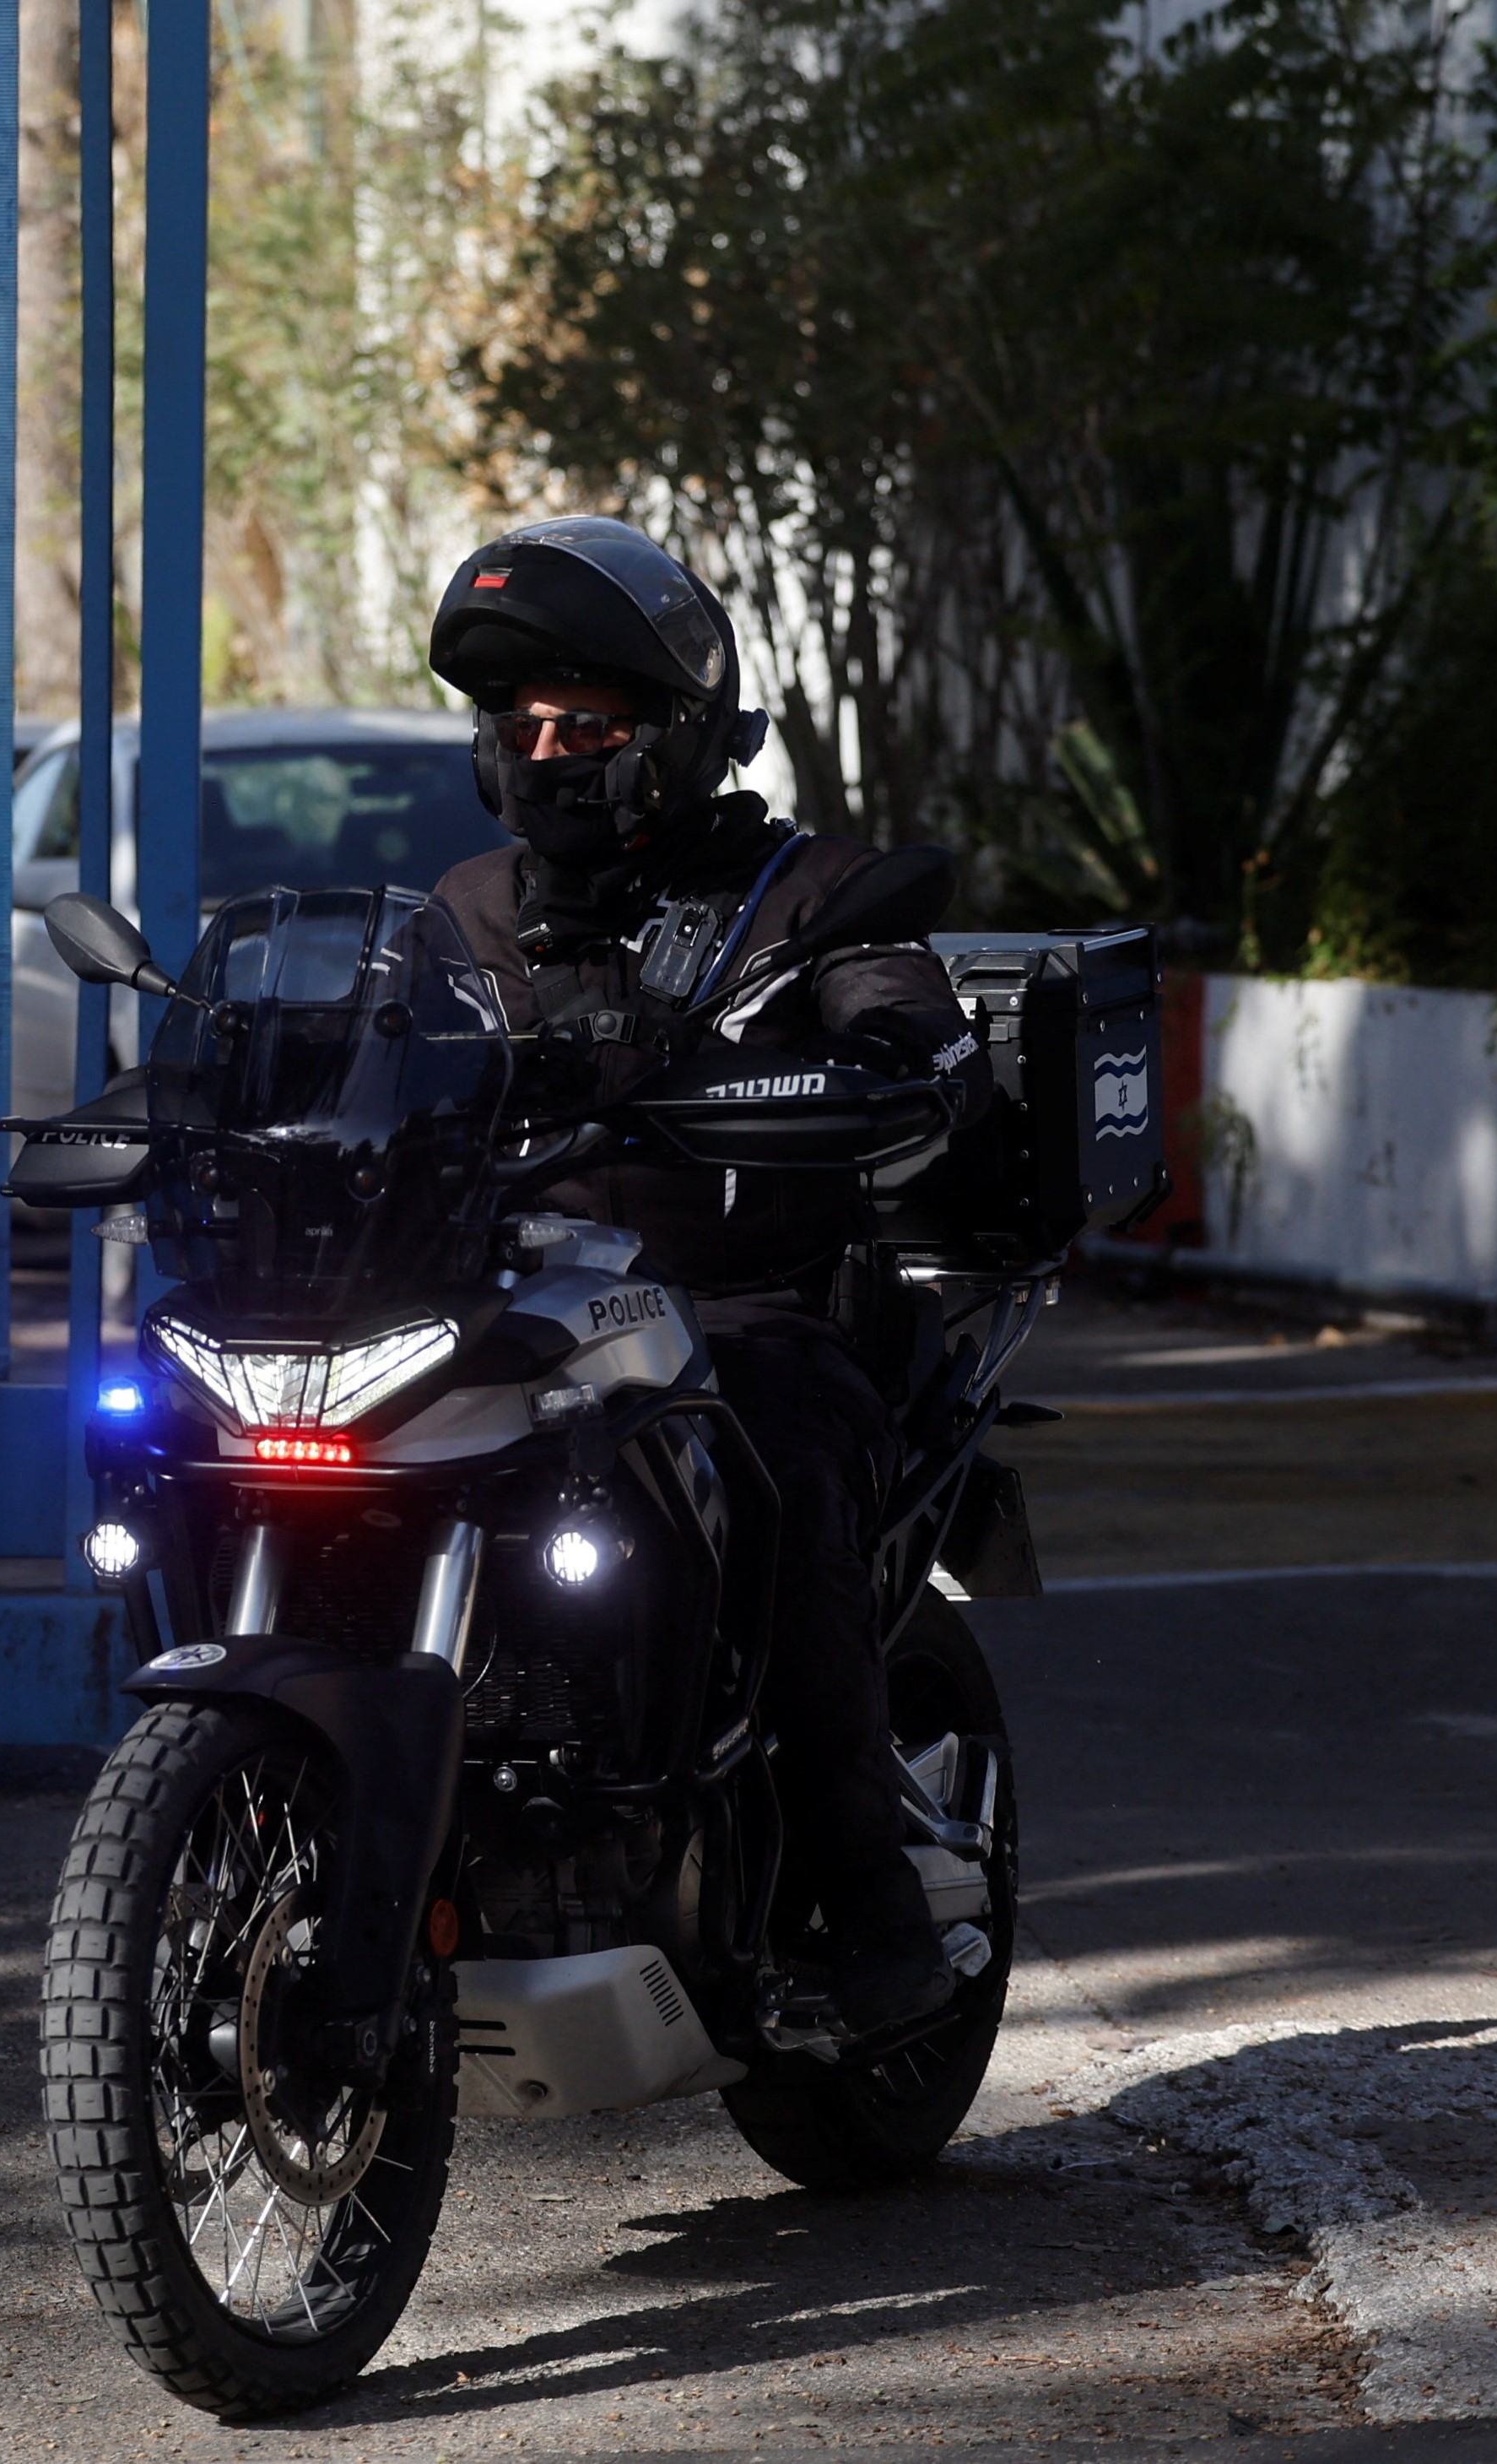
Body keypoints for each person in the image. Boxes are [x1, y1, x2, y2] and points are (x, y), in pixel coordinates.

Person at [419, 515, 987, 2036]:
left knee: (774, 1470)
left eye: (583, 724)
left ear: (674, 734)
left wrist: (884, 1059)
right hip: (519, 1314)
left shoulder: (808, 900)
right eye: (517, 724)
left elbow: (907, 1023)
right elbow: (360, 1067)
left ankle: (869, 1893)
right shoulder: (463, 914)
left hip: (749, 1314)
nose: (544, 753)